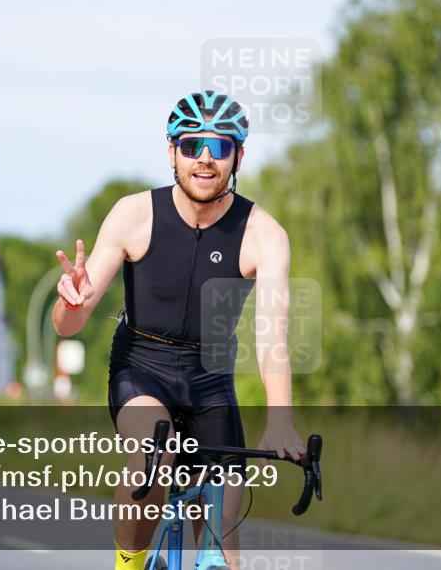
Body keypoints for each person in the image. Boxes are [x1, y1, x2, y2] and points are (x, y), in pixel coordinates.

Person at [52, 91, 305, 570]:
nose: (205, 160)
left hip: (210, 379)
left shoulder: (264, 234)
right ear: (172, 152)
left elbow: (272, 335)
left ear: (239, 156)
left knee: (222, 547)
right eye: (192, 146)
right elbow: (70, 325)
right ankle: (128, 562)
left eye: (220, 147)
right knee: (155, 450)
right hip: (141, 369)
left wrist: (280, 420)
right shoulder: (134, 214)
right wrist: (69, 303)